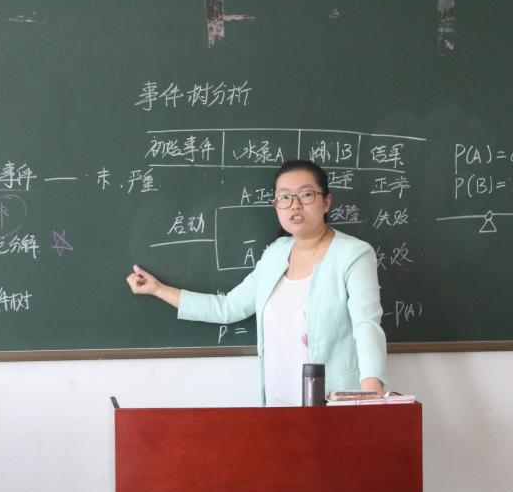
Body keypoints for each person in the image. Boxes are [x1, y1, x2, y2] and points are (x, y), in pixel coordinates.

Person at [126, 159, 388, 405]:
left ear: (326, 201)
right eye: (284, 197)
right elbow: (228, 308)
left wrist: (371, 389)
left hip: (332, 403)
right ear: (276, 205)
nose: (295, 205)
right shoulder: (276, 253)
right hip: (277, 399)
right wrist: (158, 289)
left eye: (306, 194)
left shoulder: (352, 254)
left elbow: (366, 324)